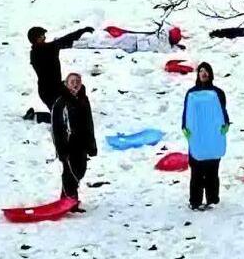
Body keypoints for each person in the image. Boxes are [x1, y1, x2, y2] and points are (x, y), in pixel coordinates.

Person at [182, 62, 230, 210]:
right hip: (197, 137)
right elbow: (187, 112)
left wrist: (225, 124)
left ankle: (212, 199)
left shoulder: (218, 93)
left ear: (210, 73)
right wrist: (184, 127)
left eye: (206, 71)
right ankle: (195, 201)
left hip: (213, 137)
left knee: (212, 171)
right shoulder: (191, 94)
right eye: (200, 71)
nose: (203, 73)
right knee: (196, 171)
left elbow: (222, 111)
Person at [24, 25, 93, 123]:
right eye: (42, 35)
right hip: (49, 92)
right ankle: (35, 116)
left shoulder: (35, 52)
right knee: (60, 119)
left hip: (54, 88)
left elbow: (64, 41)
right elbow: (66, 39)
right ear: (37, 38)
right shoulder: (47, 49)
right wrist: (81, 31)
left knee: (68, 112)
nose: (45, 37)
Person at [50, 73, 97, 205]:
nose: (75, 84)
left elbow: (89, 123)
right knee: (69, 172)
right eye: (72, 82)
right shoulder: (61, 103)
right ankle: (69, 200)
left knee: (80, 170)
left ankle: (68, 198)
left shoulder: (83, 100)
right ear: (66, 84)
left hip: (82, 142)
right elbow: (56, 129)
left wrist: (92, 145)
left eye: (78, 81)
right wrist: (60, 150)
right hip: (68, 144)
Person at [72, 24, 184, 53]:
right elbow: (168, 50)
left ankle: (79, 41)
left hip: (131, 37)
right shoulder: (164, 45)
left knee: (105, 42)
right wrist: (177, 47)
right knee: (104, 45)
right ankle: (76, 44)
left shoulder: (161, 32)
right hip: (132, 44)